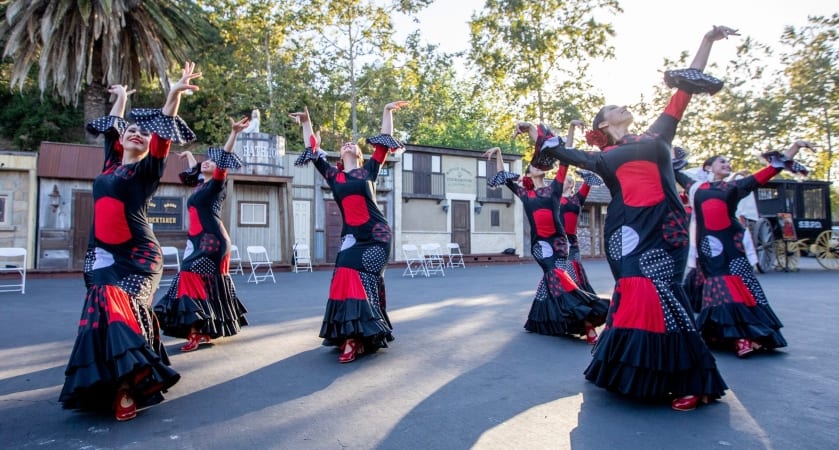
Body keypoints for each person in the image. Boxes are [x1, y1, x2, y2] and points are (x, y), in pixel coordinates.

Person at [538, 26, 737, 411]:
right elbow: (552, 151)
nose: (621, 107)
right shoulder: (598, 157)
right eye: (613, 107)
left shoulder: (657, 134)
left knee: (664, 292)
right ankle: (633, 369)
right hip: (626, 234)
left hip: (667, 230)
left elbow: (684, 91)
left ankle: (694, 380)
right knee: (634, 292)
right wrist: (535, 131)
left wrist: (706, 42)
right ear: (603, 125)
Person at [60, 61, 200, 421]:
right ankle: (110, 378)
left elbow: (163, 137)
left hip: (139, 257)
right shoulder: (109, 166)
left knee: (120, 303)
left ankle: (128, 386)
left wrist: (172, 95)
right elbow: (112, 127)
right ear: (121, 139)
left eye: (144, 133)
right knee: (102, 310)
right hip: (100, 256)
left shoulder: (145, 171)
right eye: (130, 131)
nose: (137, 134)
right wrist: (120, 98)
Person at [290, 101, 407, 363]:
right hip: (352, 239)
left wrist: (386, 111)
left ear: (360, 153)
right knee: (343, 275)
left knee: (361, 279)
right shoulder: (334, 176)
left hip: (377, 237)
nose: (348, 144)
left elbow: (383, 142)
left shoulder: (369, 170)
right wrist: (307, 121)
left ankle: (356, 338)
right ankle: (351, 335)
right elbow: (314, 149)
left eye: (352, 143)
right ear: (340, 156)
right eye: (344, 144)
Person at [675, 142, 811, 357]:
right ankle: (738, 337)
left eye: (728, 162)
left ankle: (747, 336)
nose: (727, 164)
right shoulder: (694, 187)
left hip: (734, 242)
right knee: (720, 285)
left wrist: (795, 147)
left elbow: (772, 168)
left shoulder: (735, 186)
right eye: (722, 161)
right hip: (709, 245)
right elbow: (670, 167)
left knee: (741, 284)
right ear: (708, 167)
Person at [484, 127, 608, 343]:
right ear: (529, 173)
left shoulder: (554, 190)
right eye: (533, 165)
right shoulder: (525, 193)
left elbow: (564, 163)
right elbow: (504, 176)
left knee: (557, 281)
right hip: (541, 245)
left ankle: (547, 320)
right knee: (556, 276)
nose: (538, 165)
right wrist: (497, 153)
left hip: (560, 243)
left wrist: (562, 141)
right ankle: (588, 318)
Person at [154, 117, 251, 352]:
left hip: (211, 241)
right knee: (197, 280)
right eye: (204, 162)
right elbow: (194, 172)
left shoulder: (216, 185)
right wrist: (188, 156)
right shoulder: (200, 185)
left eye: (210, 162)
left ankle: (196, 331)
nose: (206, 163)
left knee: (188, 275)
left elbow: (221, 164)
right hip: (198, 241)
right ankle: (204, 329)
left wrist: (234, 134)